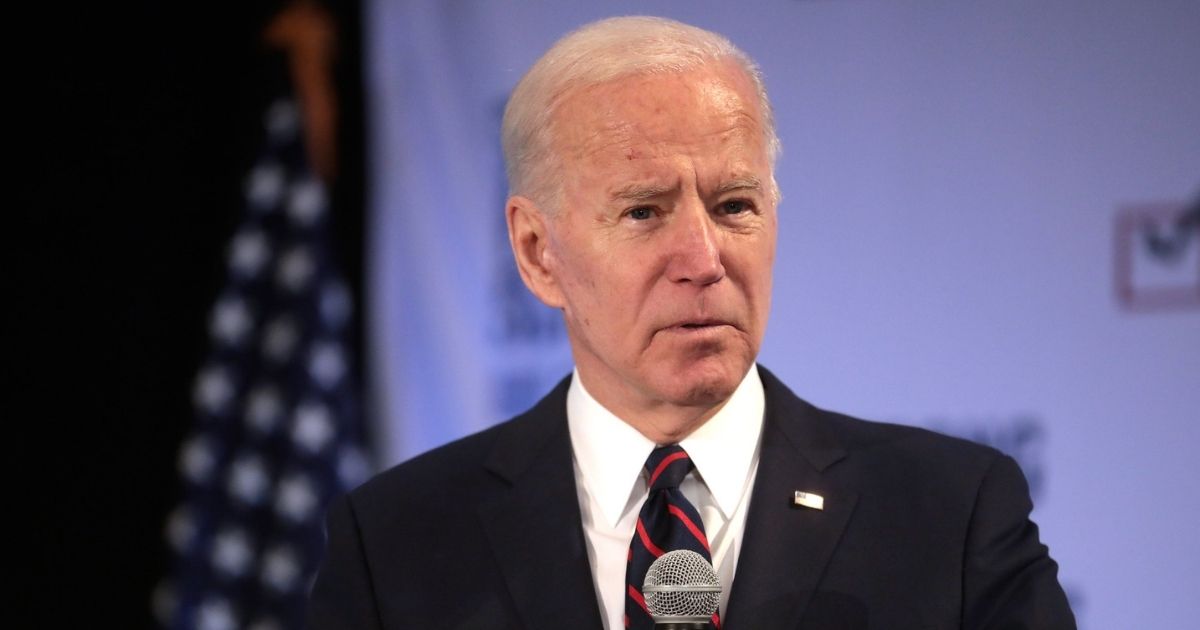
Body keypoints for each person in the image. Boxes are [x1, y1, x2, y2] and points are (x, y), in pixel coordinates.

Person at [306, 16, 1075, 630]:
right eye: (644, 211)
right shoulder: (398, 542)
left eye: (734, 206)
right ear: (538, 253)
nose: (703, 259)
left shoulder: (951, 516)